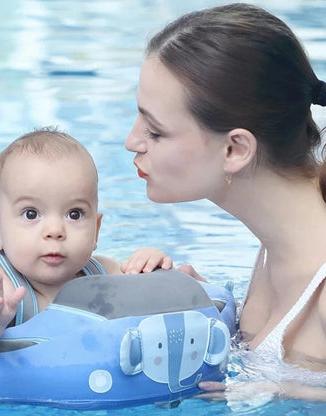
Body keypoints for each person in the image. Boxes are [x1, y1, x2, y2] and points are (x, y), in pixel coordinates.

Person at [125, 3, 326, 401]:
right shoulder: (277, 244)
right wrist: (207, 302)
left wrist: (281, 391)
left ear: (235, 149)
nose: (132, 141)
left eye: (155, 131)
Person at [0, 127, 172, 352]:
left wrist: (149, 266)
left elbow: (149, 297)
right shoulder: (4, 287)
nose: (55, 230)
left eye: (74, 214)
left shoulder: (103, 272)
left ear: (96, 230)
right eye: (31, 214)